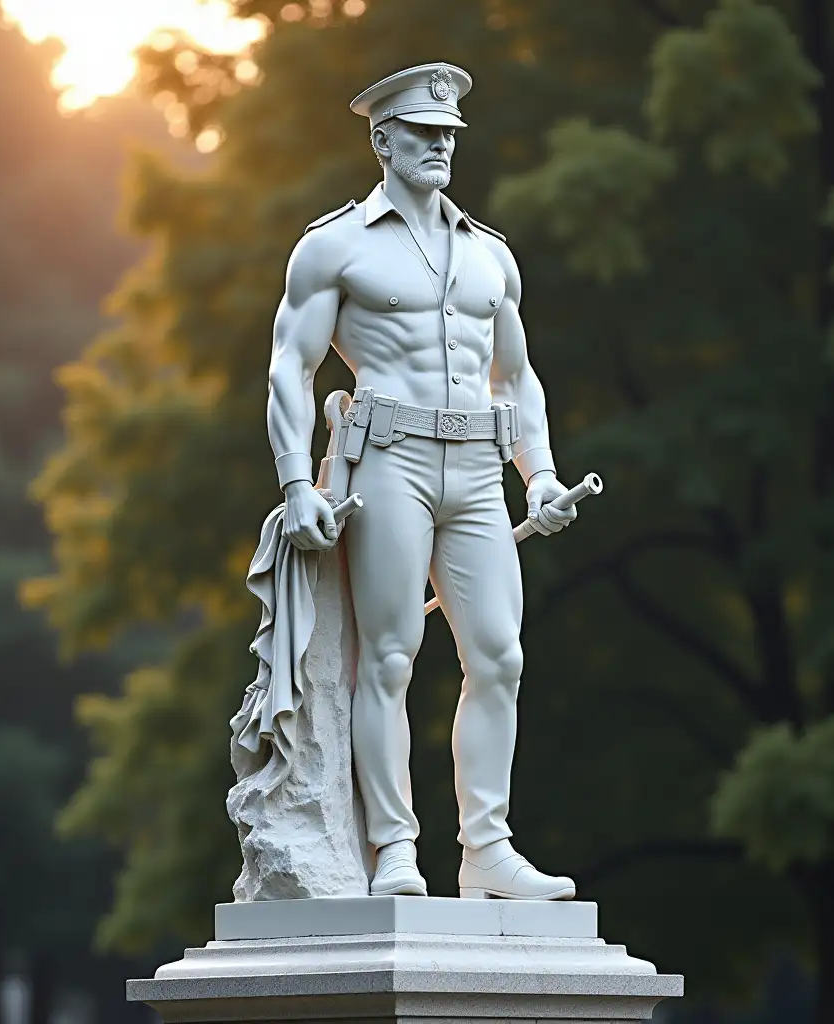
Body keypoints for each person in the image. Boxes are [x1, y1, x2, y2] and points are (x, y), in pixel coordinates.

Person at [266, 63, 577, 900]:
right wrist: (299, 484)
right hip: (387, 462)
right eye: (422, 135)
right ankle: (395, 849)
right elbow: (290, 370)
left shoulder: (490, 255)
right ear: (382, 140)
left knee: (500, 658)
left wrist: (539, 475)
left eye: (448, 135)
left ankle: (488, 851)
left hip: (479, 467)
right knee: (391, 657)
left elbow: (517, 377)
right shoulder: (333, 244)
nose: (440, 147)